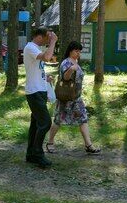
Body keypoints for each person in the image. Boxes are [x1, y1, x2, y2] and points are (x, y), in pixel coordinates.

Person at [46, 41, 101, 155]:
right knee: (58, 120)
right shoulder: (66, 62)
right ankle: (50, 142)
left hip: (76, 97)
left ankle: (88, 145)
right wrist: (72, 69)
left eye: (79, 51)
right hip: (65, 98)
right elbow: (65, 78)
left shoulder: (75, 61)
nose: (78, 53)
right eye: (76, 51)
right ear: (70, 51)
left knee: (83, 119)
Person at [23, 26, 57, 168]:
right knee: (45, 123)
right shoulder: (30, 47)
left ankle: (31, 154)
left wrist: (45, 78)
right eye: (47, 37)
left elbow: (38, 68)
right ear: (39, 36)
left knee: (36, 124)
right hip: (34, 92)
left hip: (40, 90)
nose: (48, 40)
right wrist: (53, 42)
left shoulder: (35, 48)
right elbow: (48, 57)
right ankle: (38, 153)